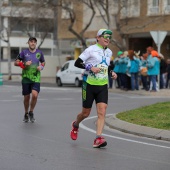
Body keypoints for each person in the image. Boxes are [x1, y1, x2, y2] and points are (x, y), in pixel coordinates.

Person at [70, 29, 117, 148]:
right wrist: (90, 67)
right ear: (98, 38)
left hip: (102, 85)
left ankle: (98, 138)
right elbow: (77, 63)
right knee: (85, 113)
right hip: (89, 84)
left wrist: (111, 72)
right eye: (105, 36)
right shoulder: (90, 50)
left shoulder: (109, 52)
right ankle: (76, 124)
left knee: (102, 111)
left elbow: (106, 66)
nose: (107, 39)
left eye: (109, 37)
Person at [14, 37, 45, 122]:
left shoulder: (39, 53)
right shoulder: (24, 53)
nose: (33, 43)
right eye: (31, 42)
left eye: (34, 42)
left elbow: (43, 62)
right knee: (27, 97)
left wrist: (41, 67)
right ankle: (26, 113)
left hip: (36, 78)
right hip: (26, 78)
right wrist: (24, 63)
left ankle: (31, 112)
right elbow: (15, 62)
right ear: (28, 43)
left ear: (36, 43)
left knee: (35, 95)